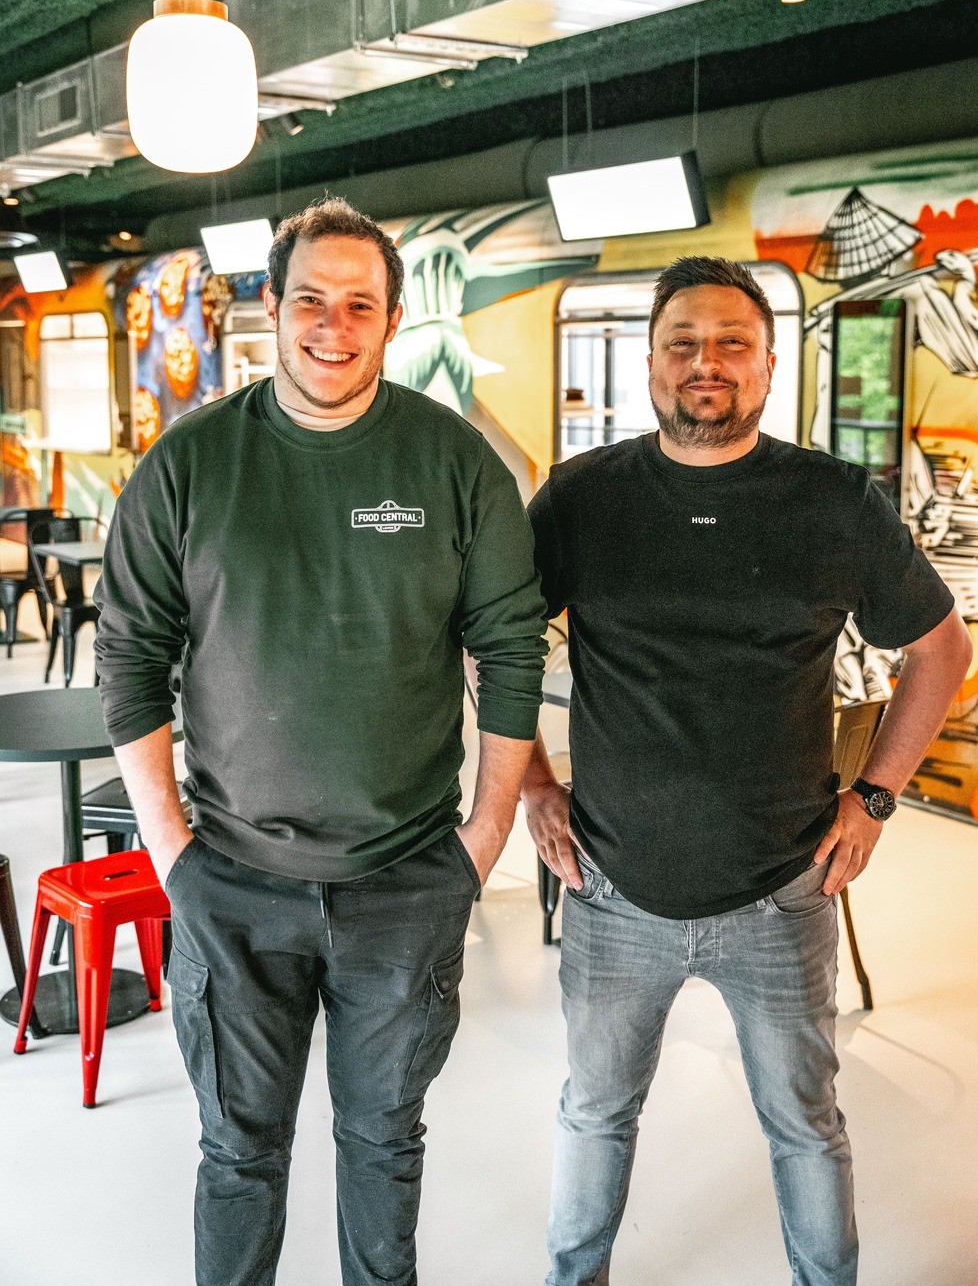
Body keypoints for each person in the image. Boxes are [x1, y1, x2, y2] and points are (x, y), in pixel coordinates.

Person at [94, 198, 547, 1286]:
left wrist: (484, 836)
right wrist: (172, 850)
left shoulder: (455, 463)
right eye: (311, 299)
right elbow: (128, 655)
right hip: (234, 884)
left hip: (404, 883)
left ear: (393, 321)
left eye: (360, 305)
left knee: (383, 1147)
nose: (331, 327)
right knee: (239, 1153)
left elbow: (514, 654)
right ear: (272, 303)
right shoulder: (192, 463)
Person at [523, 255, 971, 1286]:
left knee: (806, 1125)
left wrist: (877, 796)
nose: (706, 362)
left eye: (731, 342)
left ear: (769, 363)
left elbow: (942, 650)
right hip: (611, 888)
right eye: (684, 342)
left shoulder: (829, 500)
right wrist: (536, 784)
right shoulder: (584, 498)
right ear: (651, 362)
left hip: (783, 891)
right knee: (593, 1113)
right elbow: (489, 639)